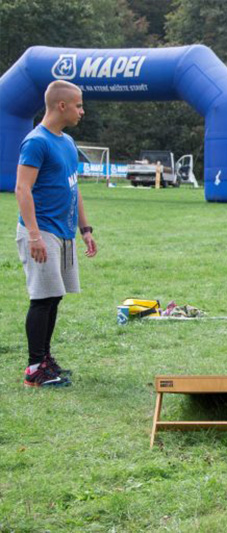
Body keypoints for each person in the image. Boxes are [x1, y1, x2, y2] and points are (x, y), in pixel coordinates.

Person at [15, 80, 97, 388]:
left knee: (55, 297)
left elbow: (74, 189)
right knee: (42, 298)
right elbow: (22, 189)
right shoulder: (36, 142)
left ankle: (46, 359)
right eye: (78, 105)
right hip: (42, 231)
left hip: (64, 232)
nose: (82, 111)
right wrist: (34, 235)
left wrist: (85, 230)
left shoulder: (67, 142)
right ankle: (35, 367)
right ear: (61, 106)